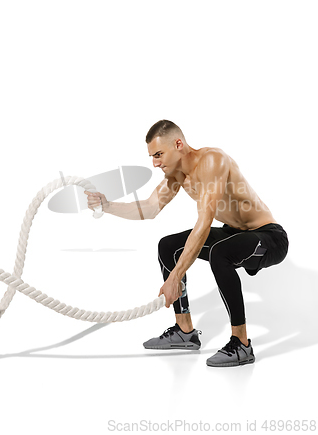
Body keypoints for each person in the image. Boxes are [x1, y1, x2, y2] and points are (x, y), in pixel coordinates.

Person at [84, 120, 289, 367]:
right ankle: (185, 331)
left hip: (268, 237)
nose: (155, 163)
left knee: (219, 252)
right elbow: (150, 208)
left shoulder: (213, 161)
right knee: (168, 246)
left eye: (159, 154)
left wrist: (175, 278)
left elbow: (204, 223)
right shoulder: (177, 175)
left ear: (178, 144)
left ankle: (242, 344)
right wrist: (107, 206)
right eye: (152, 156)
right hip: (234, 234)